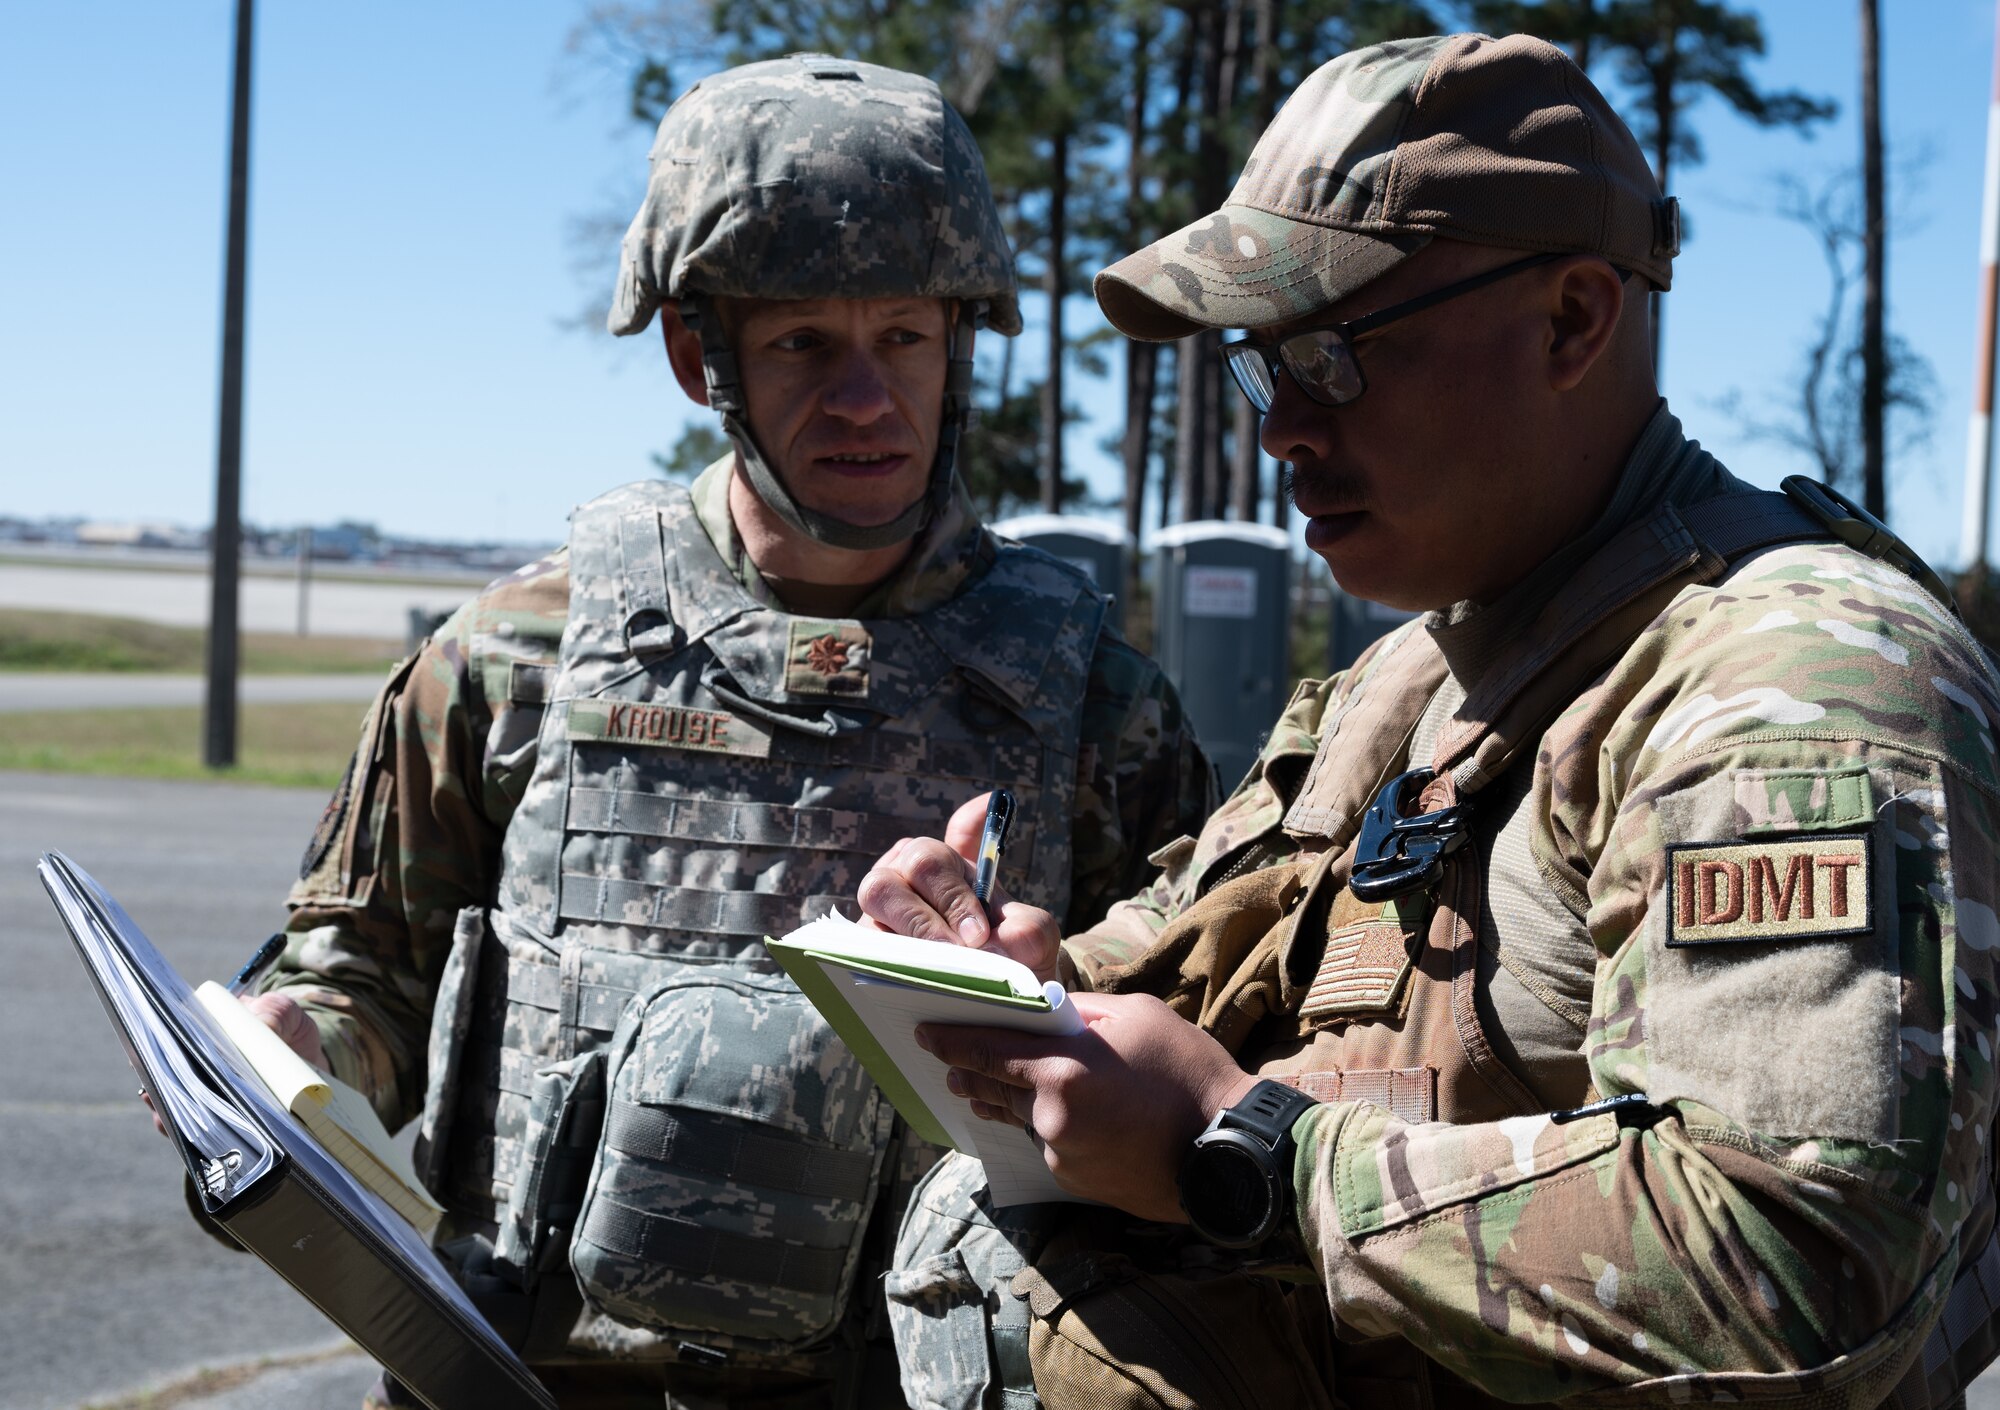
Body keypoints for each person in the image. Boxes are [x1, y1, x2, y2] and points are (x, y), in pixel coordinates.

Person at [858, 32, 2000, 1410]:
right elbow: (1230, 944)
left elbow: (1799, 1266)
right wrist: (1015, 984)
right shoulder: (1411, 675)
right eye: (1259, 362)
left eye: (1331, 353)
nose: (1280, 425)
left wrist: (1243, 1154)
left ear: (1576, 321)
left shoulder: (1794, 685)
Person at [236, 54, 1213, 1410]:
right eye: (808, 342)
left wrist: (1073, 1004)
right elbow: (366, 978)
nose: (868, 398)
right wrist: (300, 1045)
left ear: (961, 345)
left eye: (906, 338)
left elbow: (1199, 1075)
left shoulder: (1093, 706)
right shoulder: (516, 655)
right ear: (706, 357)